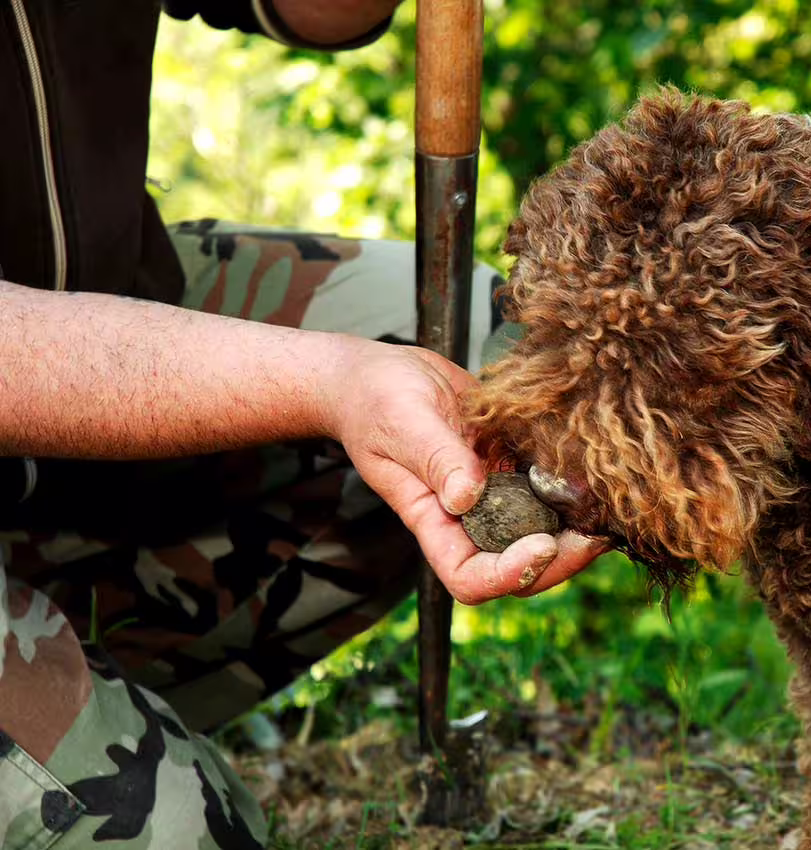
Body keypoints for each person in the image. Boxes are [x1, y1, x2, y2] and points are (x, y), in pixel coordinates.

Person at [0, 2, 603, 847]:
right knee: (171, 831)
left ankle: (80, 674)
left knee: (489, 363)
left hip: (92, 319)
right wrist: (330, 383)